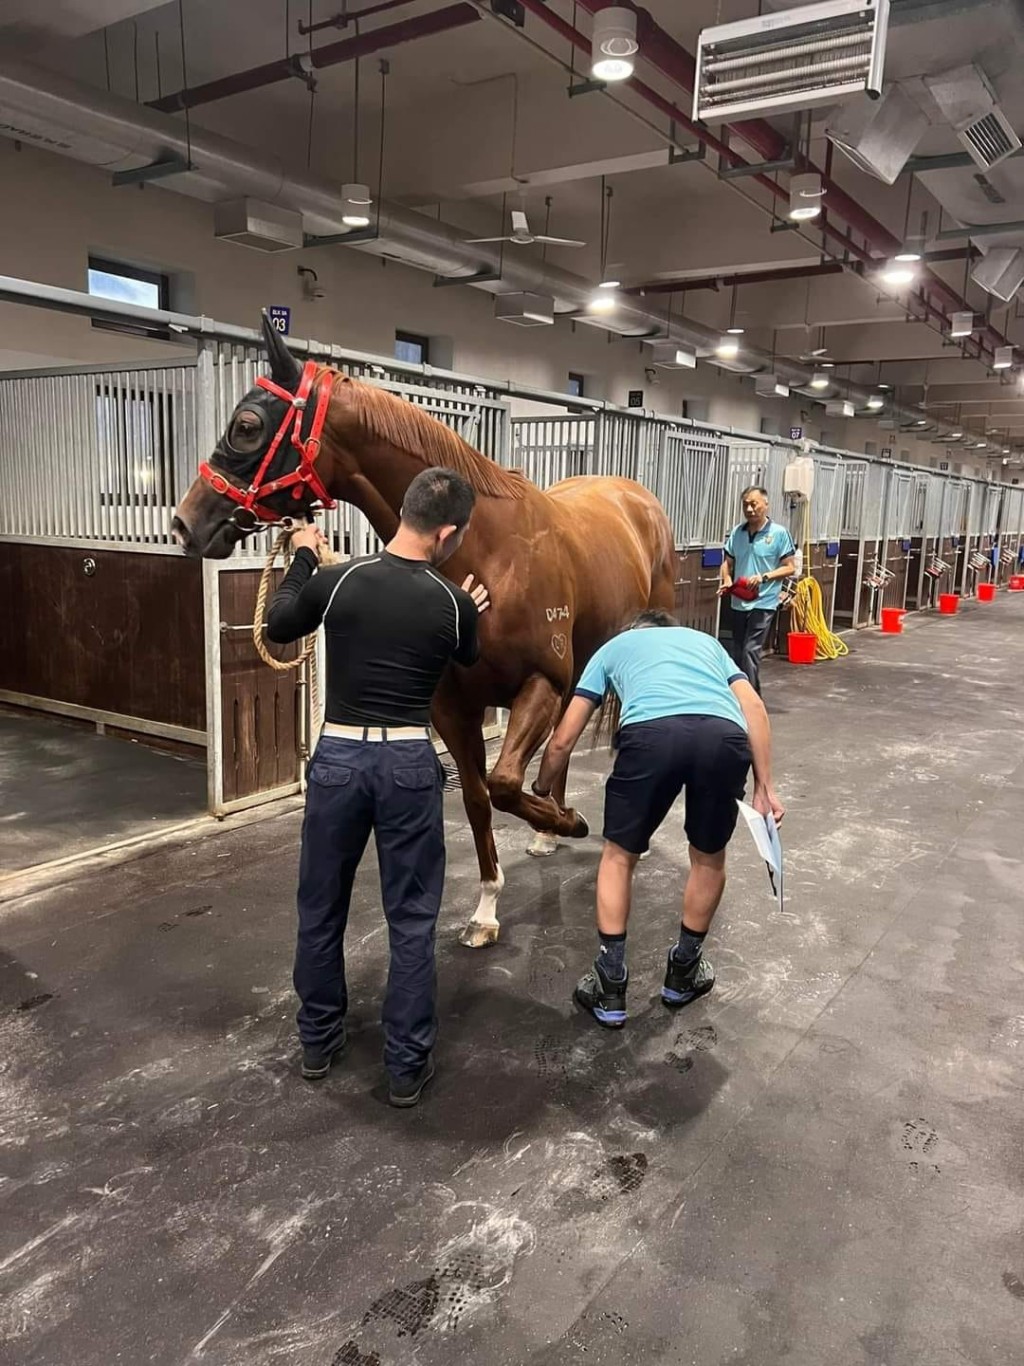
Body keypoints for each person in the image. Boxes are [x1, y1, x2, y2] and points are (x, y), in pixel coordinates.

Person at [265, 468, 489, 1106]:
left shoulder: (340, 581)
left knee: (320, 908)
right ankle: (405, 1067)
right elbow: (469, 656)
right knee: (412, 921)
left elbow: (281, 623)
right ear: (446, 533)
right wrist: (470, 607)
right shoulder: (451, 602)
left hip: (337, 757)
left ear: (403, 511)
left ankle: (318, 1041)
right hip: (408, 763)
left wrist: (306, 556)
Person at [532, 609, 783, 1029]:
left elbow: (562, 739)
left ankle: (610, 984)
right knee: (708, 857)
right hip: (724, 737)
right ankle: (683, 973)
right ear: (671, 629)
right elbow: (754, 706)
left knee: (618, 855)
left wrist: (540, 792)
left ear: (635, 630)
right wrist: (765, 786)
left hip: (651, 737)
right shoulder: (706, 644)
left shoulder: (614, 647)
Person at [719, 485, 797, 694]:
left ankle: (749, 700)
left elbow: (790, 567)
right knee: (738, 652)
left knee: (749, 650)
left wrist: (763, 577)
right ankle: (749, 696)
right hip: (739, 600)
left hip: (764, 601)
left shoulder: (779, 534)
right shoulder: (737, 532)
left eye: (754, 504)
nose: (750, 509)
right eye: (746, 505)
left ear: (766, 504)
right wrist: (727, 579)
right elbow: (727, 562)